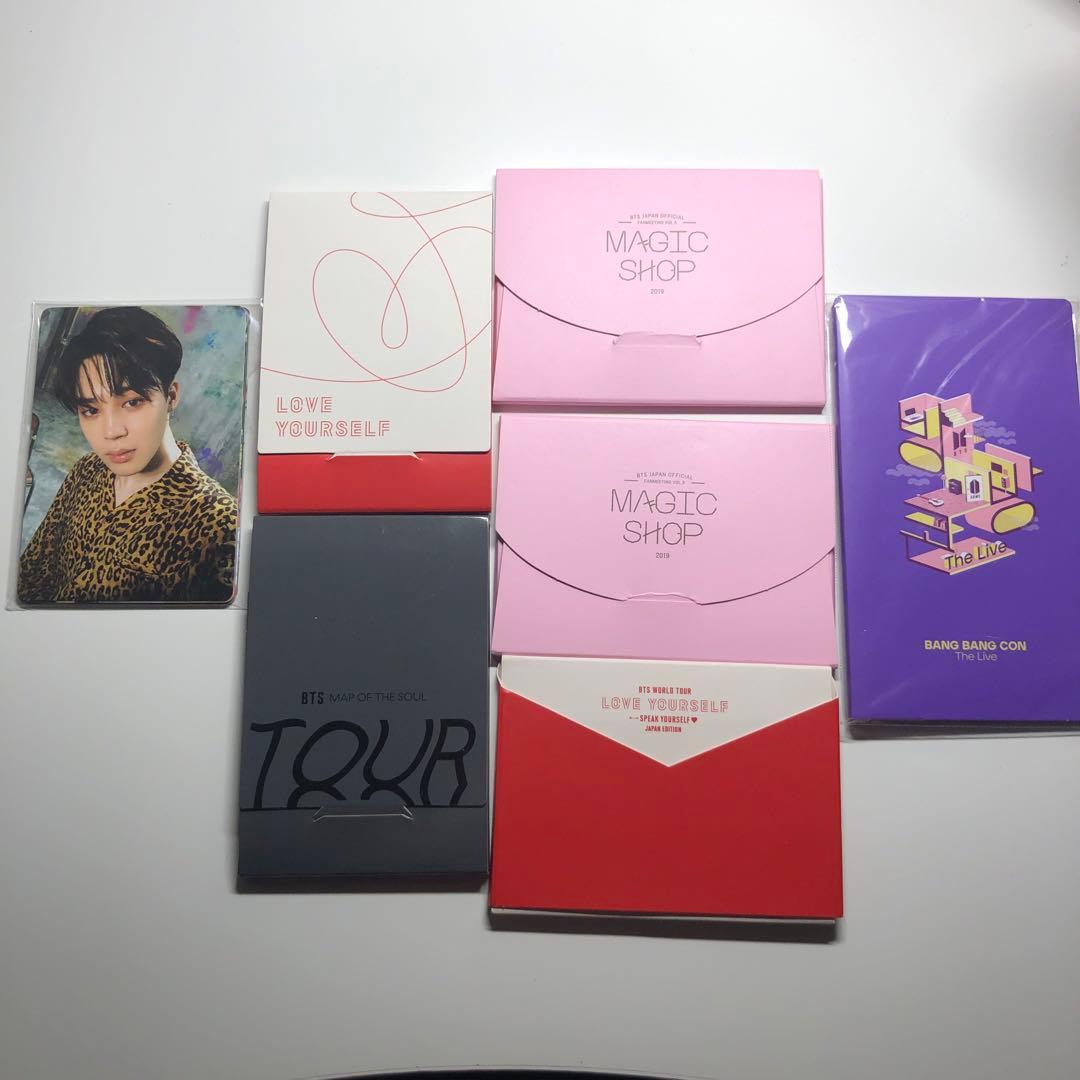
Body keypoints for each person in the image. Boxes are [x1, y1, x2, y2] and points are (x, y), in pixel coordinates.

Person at [18, 307, 238, 604]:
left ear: (171, 396)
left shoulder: (218, 524)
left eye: (133, 402)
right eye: (91, 410)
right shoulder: (87, 470)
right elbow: (34, 571)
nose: (111, 431)